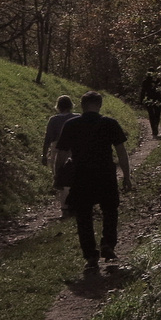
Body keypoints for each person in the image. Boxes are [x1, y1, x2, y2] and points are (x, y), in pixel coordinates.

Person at [54, 91, 131, 272]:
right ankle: (108, 244)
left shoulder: (71, 124)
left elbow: (61, 155)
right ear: (100, 105)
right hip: (106, 174)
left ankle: (90, 255)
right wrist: (127, 176)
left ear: (82, 105)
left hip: (81, 176)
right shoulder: (109, 123)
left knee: (84, 216)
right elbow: (121, 152)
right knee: (110, 210)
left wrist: (57, 175)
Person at [41, 95, 78, 213]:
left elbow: (48, 139)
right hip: (74, 147)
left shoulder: (54, 120)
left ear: (58, 106)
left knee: (60, 176)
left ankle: (64, 205)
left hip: (57, 148)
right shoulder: (77, 117)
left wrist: (44, 154)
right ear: (71, 105)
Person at [139, 71, 161, 139]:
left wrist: (141, 100)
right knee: (157, 114)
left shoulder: (146, 81)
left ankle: (154, 129)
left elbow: (143, 91)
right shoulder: (157, 80)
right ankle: (155, 127)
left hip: (149, 99)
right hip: (156, 99)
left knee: (151, 114)